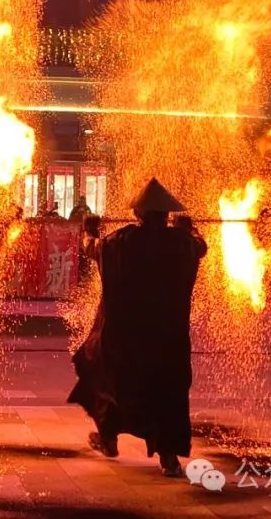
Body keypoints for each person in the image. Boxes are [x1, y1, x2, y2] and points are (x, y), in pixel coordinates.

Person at [69, 178, 202, 479]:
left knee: (108, 379)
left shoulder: (122, 241)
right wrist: (189, 230)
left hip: (127, 340)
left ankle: (108, 438)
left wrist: (89, 231)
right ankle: (168, 458)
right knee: (166, 396)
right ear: (167, 215)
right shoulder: (181, 243)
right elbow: (200, 247)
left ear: (138, 214)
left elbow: (93, 248)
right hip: (167, 341)